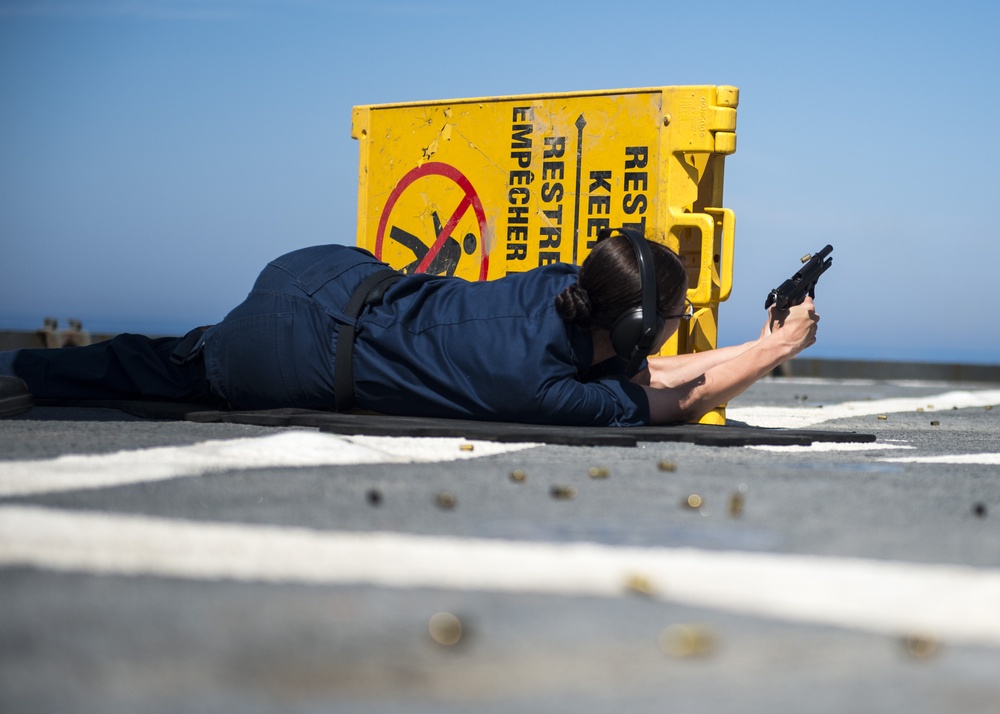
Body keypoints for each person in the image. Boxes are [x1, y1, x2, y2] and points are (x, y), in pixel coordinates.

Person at [0, 230, 819, 425]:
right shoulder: (540, 389)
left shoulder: (558, 292)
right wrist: (777, 351)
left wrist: (761, 341)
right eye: (671, 320)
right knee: (168, 375)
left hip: (330, 273)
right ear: (635, 325)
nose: (677, 335)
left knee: (166, 358)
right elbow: (668, 404)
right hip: (295, 351)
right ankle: (27, 377)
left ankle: (24, 370)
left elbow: (654, 374)